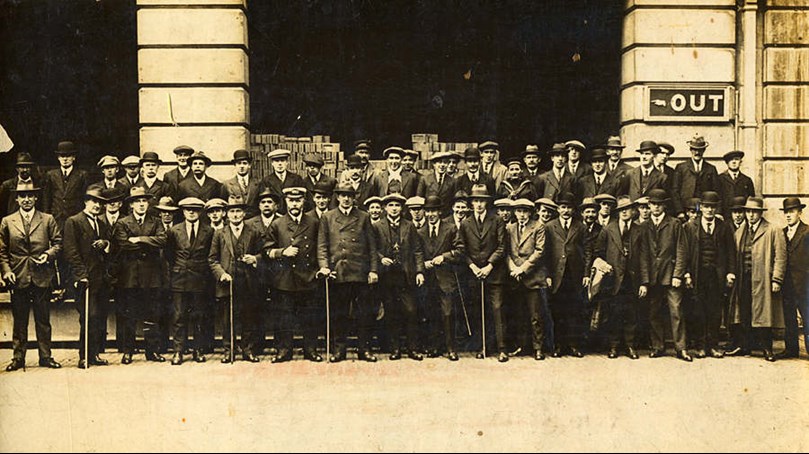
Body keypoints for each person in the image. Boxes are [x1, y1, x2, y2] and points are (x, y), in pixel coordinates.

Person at [143, 197, 214, 365]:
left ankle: (197, 349)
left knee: (198, 315)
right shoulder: (175, 230)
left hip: (199, 278)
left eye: (195, 209)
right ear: (183, 212)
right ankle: (178, 351)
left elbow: (210, 254)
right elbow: (169, 254)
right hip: (179, 278)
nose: (191, 212)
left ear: (199, 212)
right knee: (178, 316)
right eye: (188, 209)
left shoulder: (208, 230)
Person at [0, 181, 62, 371]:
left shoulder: (47, 219)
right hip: (18, 277)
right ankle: (18, 357)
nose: (26, 200)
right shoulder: (7, 221)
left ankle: (46, 356)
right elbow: (1, 251)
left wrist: (48, 254)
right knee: (20, 320)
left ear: (35, 198)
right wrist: (7, 271)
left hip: (42, 276)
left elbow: (58, 243)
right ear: (17, 199)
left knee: (43, 319)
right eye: (22, 196)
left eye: (30, 196)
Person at [316, 184, 379, 362]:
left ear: (354, 198)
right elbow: (322, 246)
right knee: (339, 313)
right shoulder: (328, 217)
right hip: (338, 272)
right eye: (342, 195)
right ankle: (339, 350)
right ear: (337, 197)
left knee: (364, 314)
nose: (345, 199)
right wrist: (324, 266)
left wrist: (373, 270)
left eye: (349, 196)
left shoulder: (363, 217)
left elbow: (372, 247)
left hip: (360, 271)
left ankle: (364, 349)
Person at [265, 187, 322, 362]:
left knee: (309, 316)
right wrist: (283, 252)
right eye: (291, 200)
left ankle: (310, 349)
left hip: (308, 276)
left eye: (298, 200)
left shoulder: (313, 223)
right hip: (285, 278)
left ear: (303, 202)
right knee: (284, 316)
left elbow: (320, 248)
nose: (295, 204)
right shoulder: (278, 224)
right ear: (286, 202)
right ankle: (284, 350)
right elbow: (267, 250)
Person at [727, 197, 787, 362]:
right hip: (744, 278)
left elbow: (780, 257)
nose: (751, 215)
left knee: (764, 314)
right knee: (745, 311)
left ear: (760, 213)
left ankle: (767, 348)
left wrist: (777, 279)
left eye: (754, 212)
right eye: (748, 211)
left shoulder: (772, 230)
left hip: (762, 279)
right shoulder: (740, 231)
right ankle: (746, 346)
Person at [454, 184, 509, 362]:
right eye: (476, 201)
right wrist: (473, 267)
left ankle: (502, 348)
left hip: (494, 273)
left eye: (482, 201)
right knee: (478, 311)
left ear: (487, 203)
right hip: (474, 274)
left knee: (497, 309)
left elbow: (502, 247)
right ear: (471, 204)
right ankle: (482, 346)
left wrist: (489, 266)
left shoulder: (497, 220)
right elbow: (462, 249)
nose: (478, 204)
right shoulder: (465, 223)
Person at [112, 187, 167, 364]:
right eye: (138, 201)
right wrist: (148, 243)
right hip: (130, 275)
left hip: (152, 275)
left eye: (144, 201)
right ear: (132, 204)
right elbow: (123, 244)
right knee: (130, 315)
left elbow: (162, 240)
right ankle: (128, 351)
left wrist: (139, 240)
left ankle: (152, 351)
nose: (142, 204)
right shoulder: (122, 222)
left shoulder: (156, 221)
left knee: (152, 315)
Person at [593, 196, 649, 359]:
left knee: (631, 313)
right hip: (613, 279)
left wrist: (644, 282)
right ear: (617, 212)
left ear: (633, 211)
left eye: (628, 209)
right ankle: (614, 346)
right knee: (614, 313)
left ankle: (630, 346)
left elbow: (645, 257)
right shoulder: (608, 229)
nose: (625, 213)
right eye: (621, 210)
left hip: (632, 279)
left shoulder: (640, 230)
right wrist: (604, 267)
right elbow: (598, 253)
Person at [209, 196, 264, 363]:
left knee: (249, 317)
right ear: (226, 214)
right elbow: (212, 259)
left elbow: (263, 255)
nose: (235, 214)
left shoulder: (253, 232)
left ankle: (248, 350)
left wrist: (254, 259)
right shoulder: (219, 234)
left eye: (238, 211)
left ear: (244, 213)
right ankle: (229, 350)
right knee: (228, 319)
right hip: (228, 282)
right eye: (232, 211)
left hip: (248, 282)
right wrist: (221, 274)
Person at [682, 191, 737, 359]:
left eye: (712, 207)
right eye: (706, 207)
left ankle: (713, 346)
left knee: (714, 311)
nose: (709, 210)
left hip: (716, 275)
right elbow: (684, 252)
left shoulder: (723, 226)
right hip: (697, 274)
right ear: (701, 208)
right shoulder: (690, 227)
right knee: (698, 311)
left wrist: (730, 273)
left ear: (716, 209)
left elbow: (731, 252)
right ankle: (700, 346)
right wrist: (686, 274)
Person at [63, 188, 112, 368]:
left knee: (99, 316)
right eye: (94, 201)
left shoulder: (102, 224)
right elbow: (70, 250)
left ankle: (95, 354)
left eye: (100, 203)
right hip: (84, 279)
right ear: (85, 202)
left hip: (100, 279)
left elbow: (109, 247)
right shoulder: (74, 222)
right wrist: (81, 274)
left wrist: (105, 244)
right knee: (88, 316)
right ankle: (84, 355)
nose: (97, 206)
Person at [374, 193, 426, 360]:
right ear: (385, 208)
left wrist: (419, 271)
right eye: (390, 205)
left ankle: (413, 349)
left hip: (406, 276)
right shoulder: (377, 226)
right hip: (387, 276)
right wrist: (382, 258)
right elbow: (372, 249)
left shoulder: (409, 226)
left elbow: (417, 250)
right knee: (391, 312)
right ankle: (395, 349)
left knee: (411, 311)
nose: (394, 208)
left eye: (397, 205)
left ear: (402, 208)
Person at [645, 189, 692, 362]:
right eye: (653, 204)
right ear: (649, 206)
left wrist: (678, 275)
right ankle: (658, 346)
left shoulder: (674, 224)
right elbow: (643, 254)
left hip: (671, 275)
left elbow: (682, 250)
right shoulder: (643, 225)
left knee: (676, 311)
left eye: (659, 204)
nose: (656, 208)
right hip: (652, 276)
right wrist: (645, 278)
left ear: (664, 205)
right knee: (654, 312)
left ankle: (681, 348)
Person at [544, 192, 587, 358]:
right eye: (562, 207)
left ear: (573, 209)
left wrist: (585, 274)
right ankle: (559, 346)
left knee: (574, 311)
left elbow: (587, 251)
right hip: (556, 275)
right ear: (558, 209)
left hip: (574, 274)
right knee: (558, 311)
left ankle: (574, 345)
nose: (566, 210)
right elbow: (546, 253)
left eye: (569, 207)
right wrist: (548, 274)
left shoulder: (580, 227)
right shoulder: (550, 226)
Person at [418, 195, 461, 360]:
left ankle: (451, 348)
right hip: (428, 279)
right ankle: (434, 347)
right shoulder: (420, 232)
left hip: (446, 278)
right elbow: (415, 253)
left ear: (440, 212)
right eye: (428, 211)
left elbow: (460, 250)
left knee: (448, 313)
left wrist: (444, 257)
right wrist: (423, 264)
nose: (431, 214)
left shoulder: (450, 229)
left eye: (434, 211)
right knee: (431, 313)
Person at [505, 198, 547, 360]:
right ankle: (522, 346)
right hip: (515, 276)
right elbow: (506, 251)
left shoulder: (538, 227)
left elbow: (539, 251)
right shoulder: (509, 228)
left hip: (532, 277)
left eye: (525, 211)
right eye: (518, 211)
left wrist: (522, 268)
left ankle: (538, 348)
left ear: (530, 212)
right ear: (515, 212)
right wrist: (513, 268)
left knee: (535, 314)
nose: (521, 215)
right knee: (519, 313)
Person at [779, 197, 809, 359]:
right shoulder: (782, 232)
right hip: (787, 284)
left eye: (792, 211)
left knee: (807, 317)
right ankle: (791, 349)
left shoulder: (807, 232)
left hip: (804, 284)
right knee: (789, 318)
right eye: (786, 212)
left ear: (800, 212)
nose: (788, 215)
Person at [671, 135, 721, 220]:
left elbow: (717, 191)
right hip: (685, 210)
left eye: (700, 150)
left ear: (704, 150)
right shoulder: (681, 167)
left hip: (704, 210)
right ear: (690, 150)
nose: (697, 152)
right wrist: (679, 211)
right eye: (694, 149)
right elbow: (675, 191)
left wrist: (718, 212)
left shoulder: (711, 168)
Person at [260, 148, 306, 214]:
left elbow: (303, 198)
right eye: (277, 161)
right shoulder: (266, 180)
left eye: (282, 161)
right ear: (272, 163)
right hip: (274, 215)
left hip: (293, 214)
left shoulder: (296, 178)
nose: (280, 164)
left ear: (287, 162)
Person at [221, 149, 262, 220]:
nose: (242, 166)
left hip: (254, 221)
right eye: (239, 163)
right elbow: (223, 206)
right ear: (235, 165)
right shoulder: (227, 184)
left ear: (249, 165)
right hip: (235, 221)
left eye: (244, 163)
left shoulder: (258, 183)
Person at [0, 152, 42, 216]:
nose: (25, 170)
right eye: (22, 167)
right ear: (17, 168)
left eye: (27, 167)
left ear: (31, 168)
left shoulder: (38, 184)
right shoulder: (7, 185)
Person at [718, 150, 755, 221]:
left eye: (736, 159)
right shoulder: (720, 179)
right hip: (725, 216)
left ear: (740, 162)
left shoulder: (747, 180)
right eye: (731, 160)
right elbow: (717, 198)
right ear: (727, 163)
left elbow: (751, 200)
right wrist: (719, 213)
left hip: (742, 217)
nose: (734, 162)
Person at [417, 151, 457, 217]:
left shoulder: (453, 181)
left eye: (445, 162)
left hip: (446, 217)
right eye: (440, 162)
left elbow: (453, 201)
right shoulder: (425, 179)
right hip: (429, 215)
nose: (442, 165)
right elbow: (420, 199)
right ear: (434, 164)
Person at [135, 152, 169, 216]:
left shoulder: (165, 187)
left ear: (158, 167)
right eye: (147, 165)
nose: (151, 168)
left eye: (153, 165)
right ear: (142, 167)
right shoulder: (137, 186)